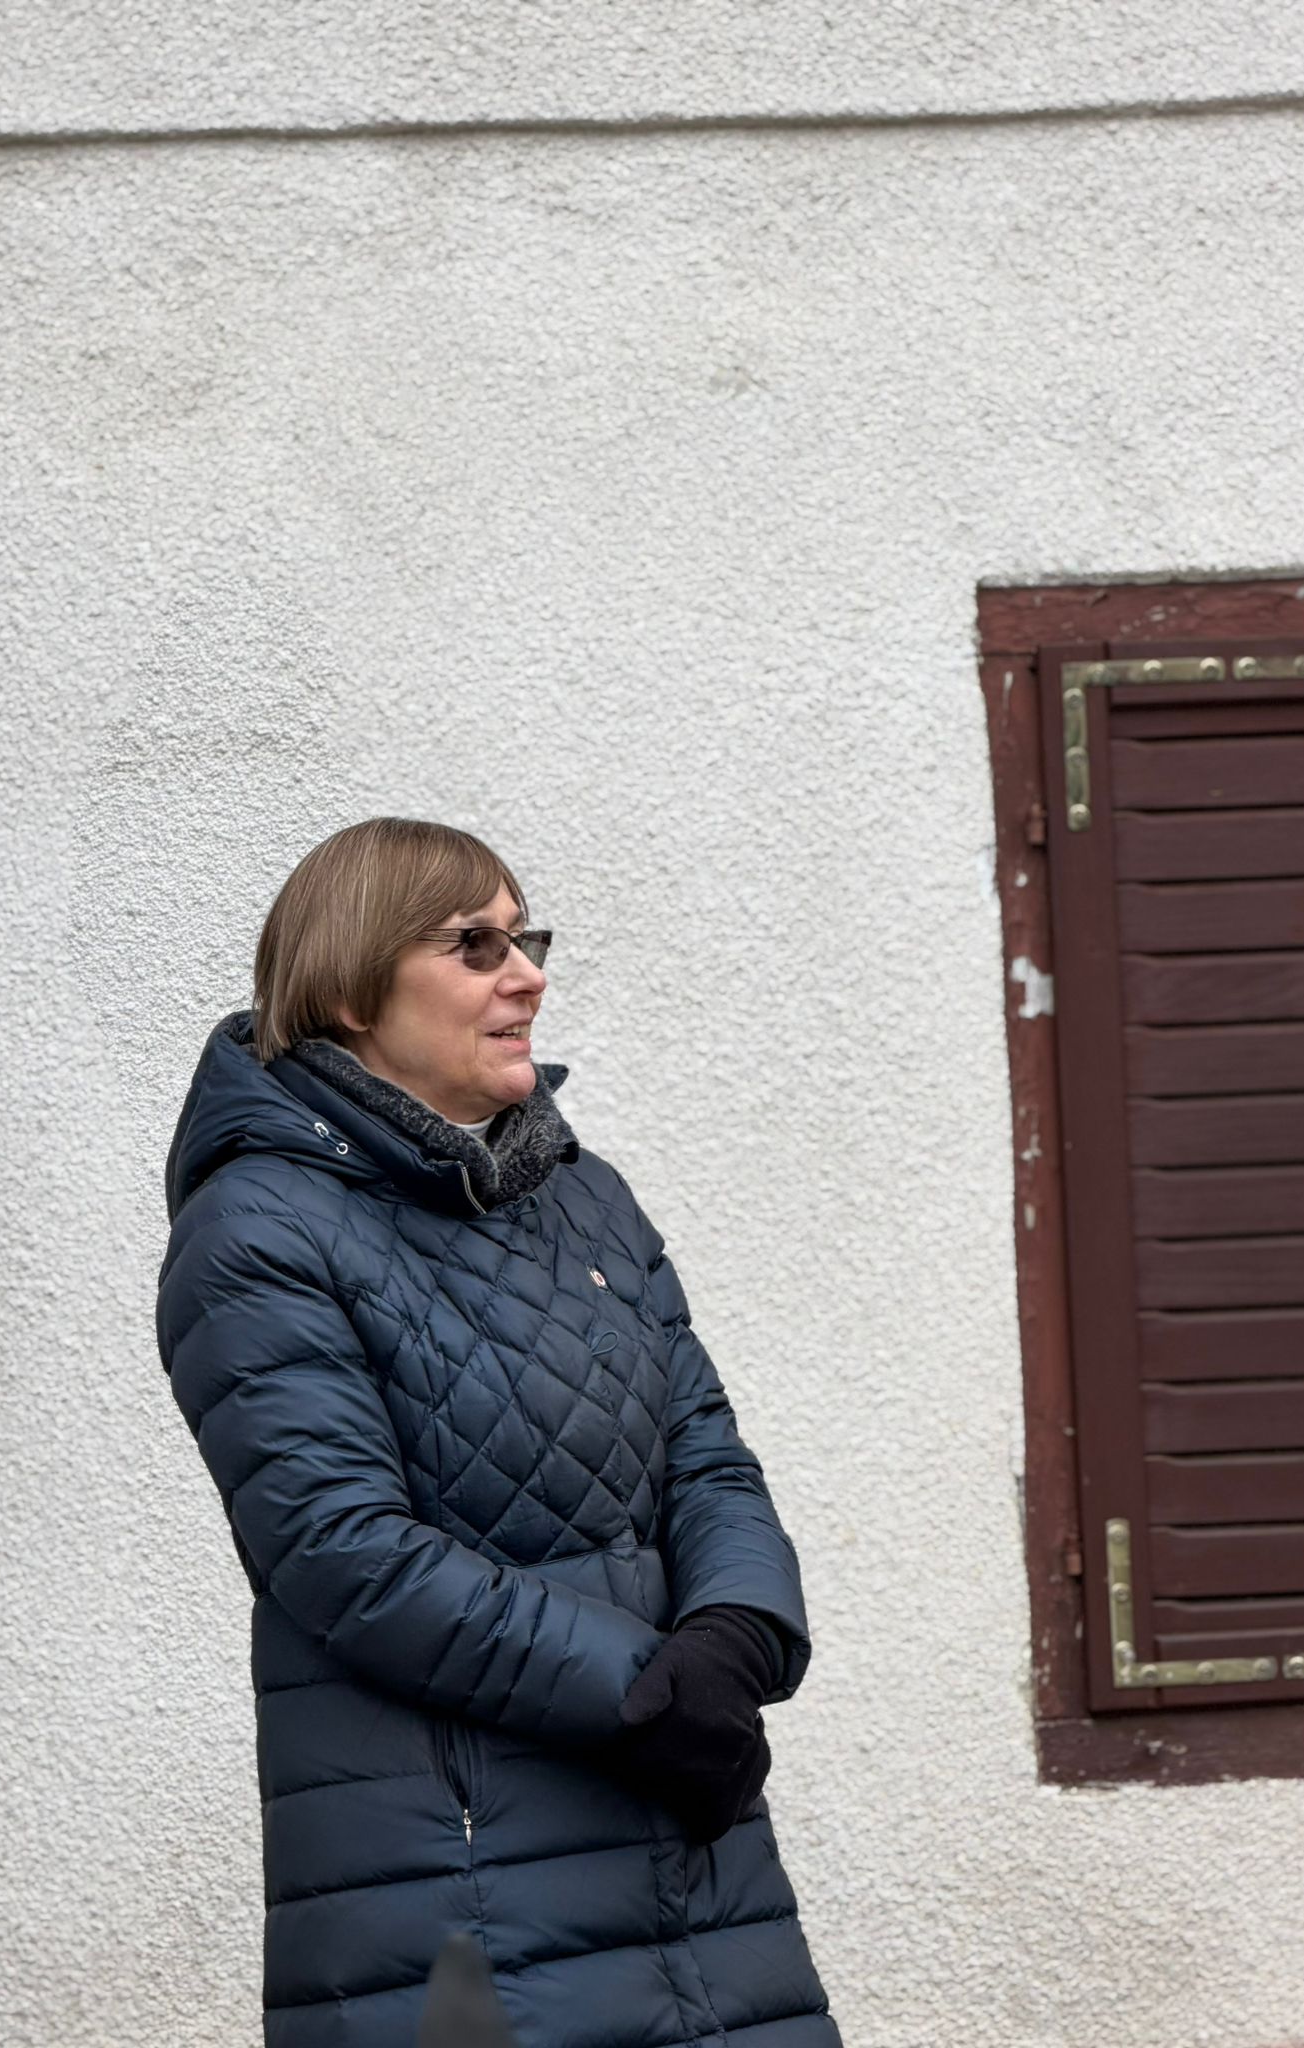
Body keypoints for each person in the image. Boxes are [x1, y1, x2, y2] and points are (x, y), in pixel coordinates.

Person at [157, 817, 839, 2048]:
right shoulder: (258, 1228)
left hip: (693, 1834)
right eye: (474, 945)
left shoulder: (583, 1195)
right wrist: (643, 1694)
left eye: (527, 940)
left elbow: (703, 1449)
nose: (526, 974)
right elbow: (343, 1549)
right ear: (352, 987)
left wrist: (734, 1639)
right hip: (454, 1886)